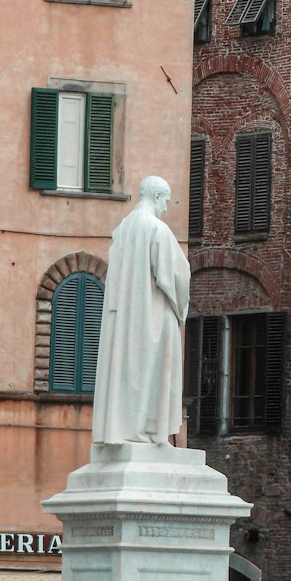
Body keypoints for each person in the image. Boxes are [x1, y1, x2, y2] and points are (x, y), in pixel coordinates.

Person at [91, 175, 190, 446]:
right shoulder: (156, 229)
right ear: (157, 197)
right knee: (154, 372)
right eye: (167, 201)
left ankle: (128, 430)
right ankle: (150, 434)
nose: (167, 208)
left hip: (125, 321)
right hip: (154, 317)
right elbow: (177, 277)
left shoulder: (123, 230)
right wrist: (181, 310)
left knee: (129, 372)